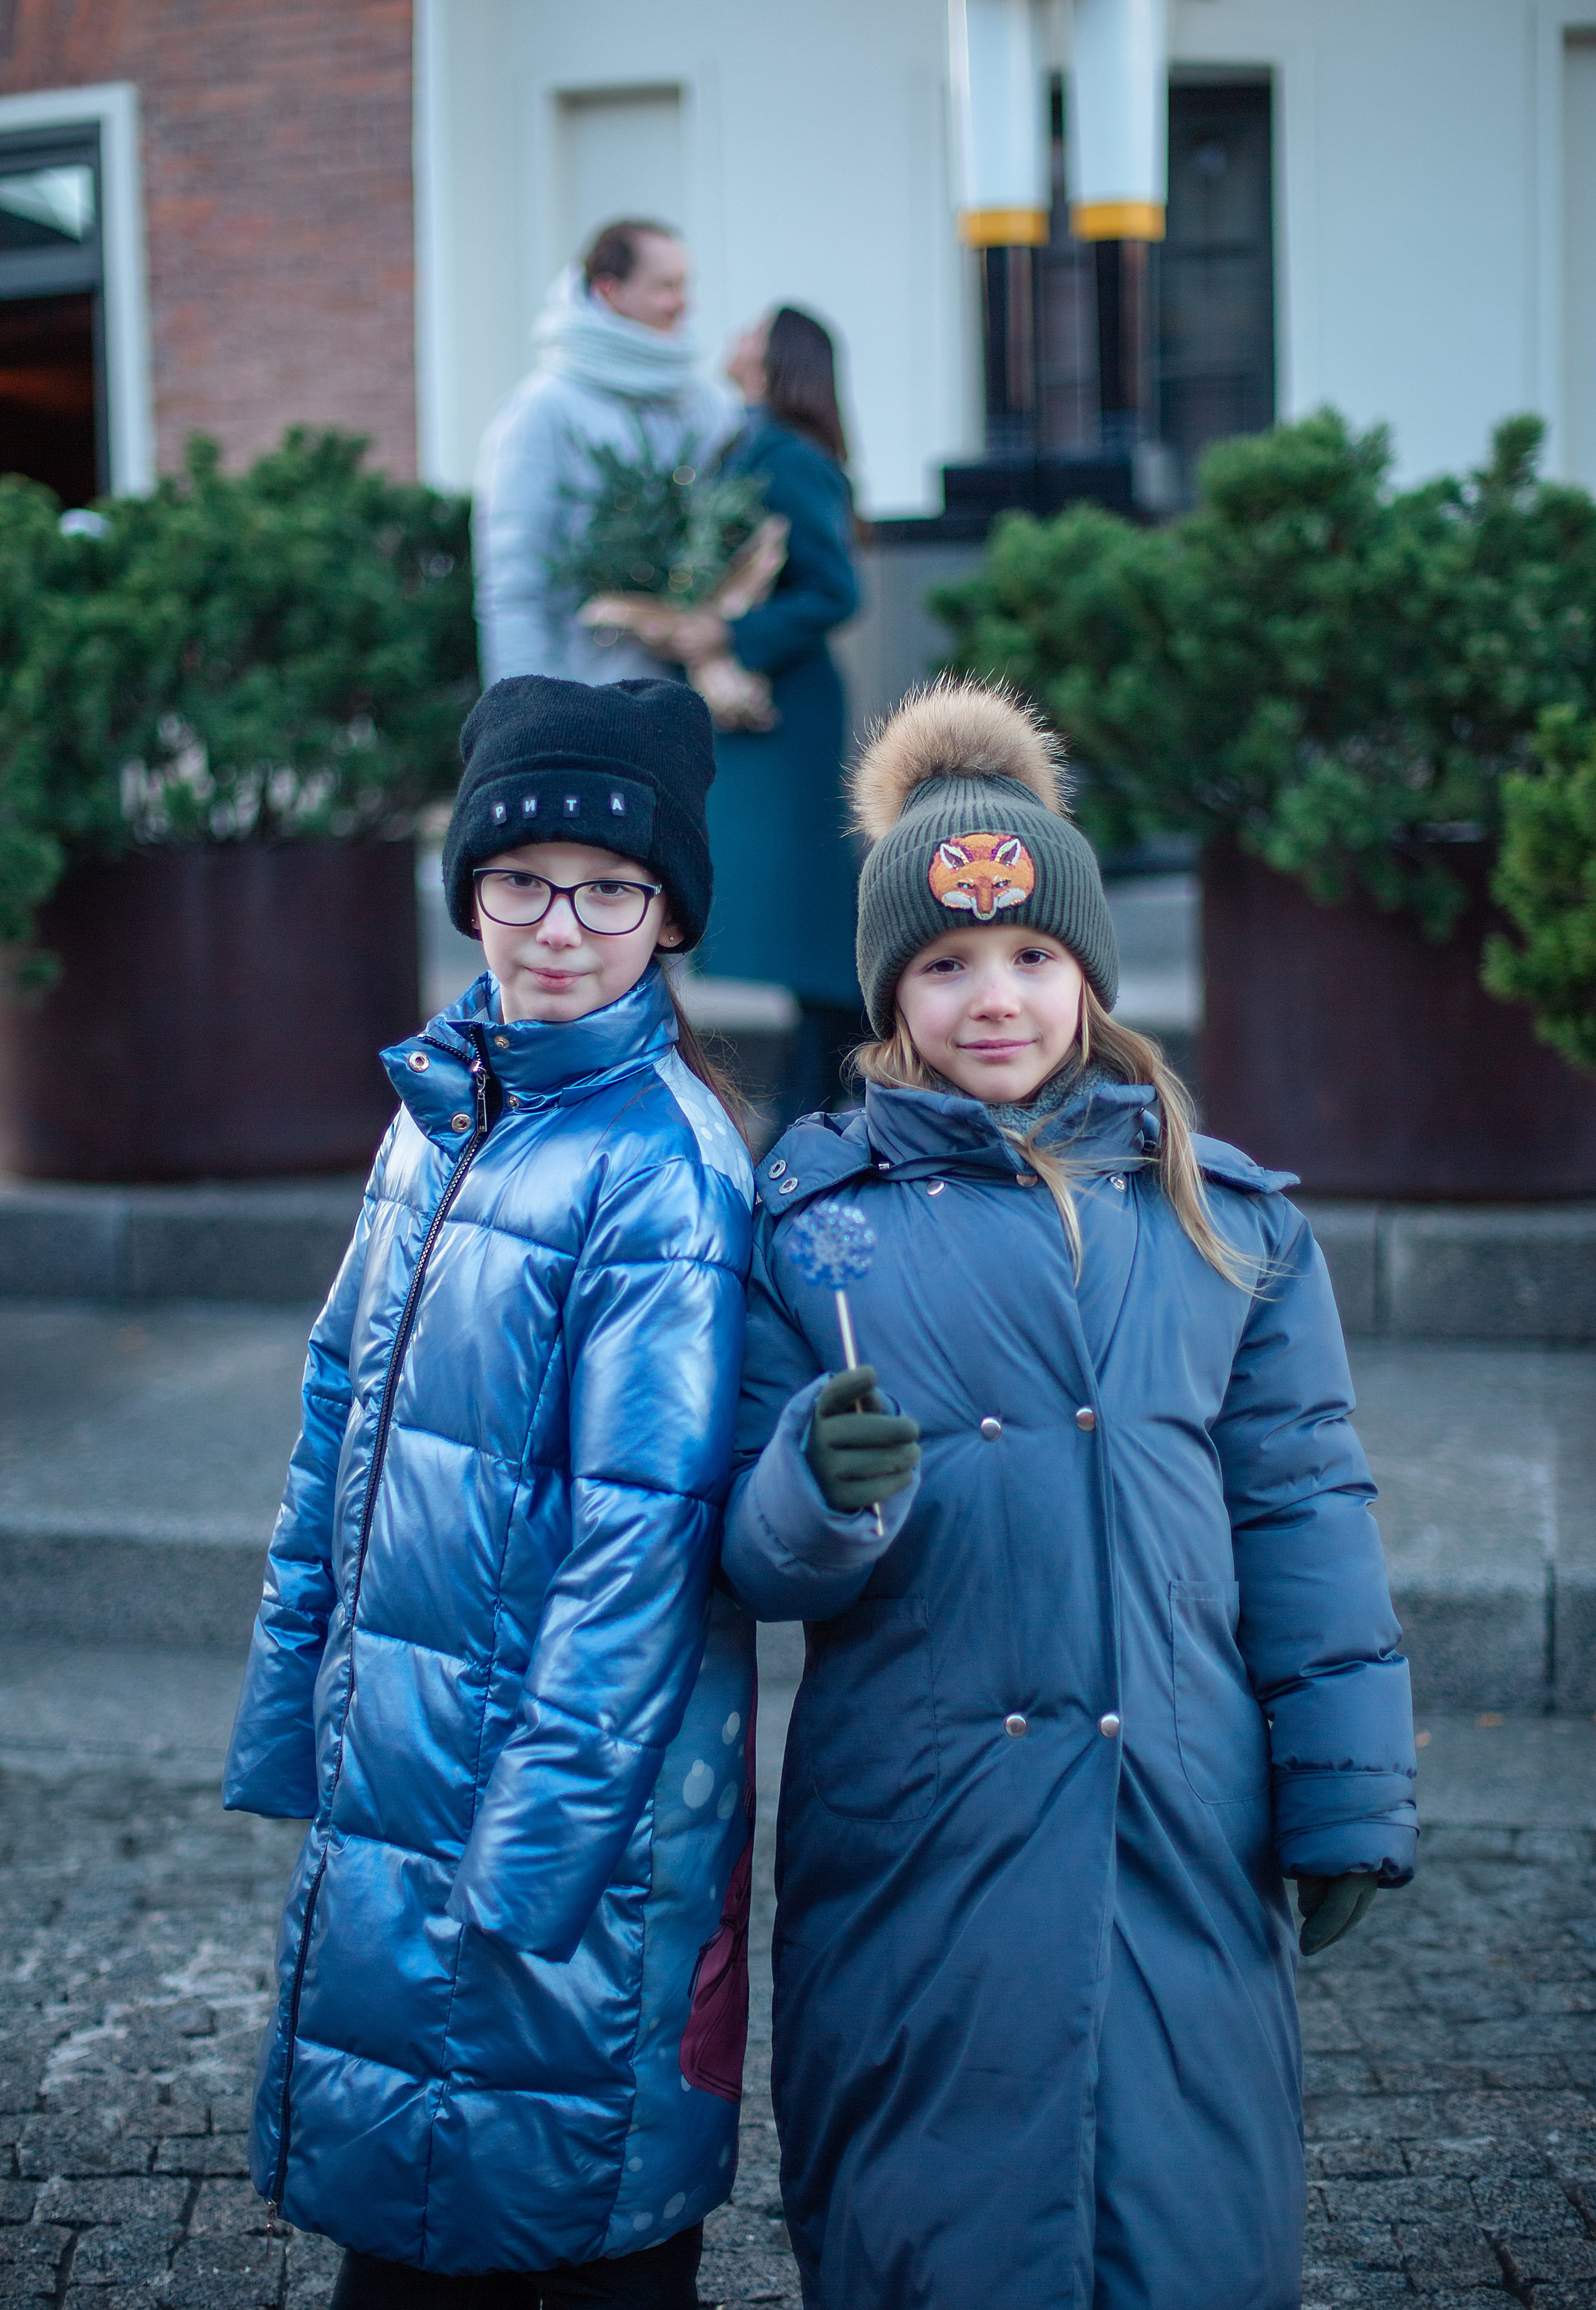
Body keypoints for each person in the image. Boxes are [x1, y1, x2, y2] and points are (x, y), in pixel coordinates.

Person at [719, 681, 1418, 2309]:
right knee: (939, 2223)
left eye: (1032, 957)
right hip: (921, 1828)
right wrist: (813, 1498)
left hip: (1179, 1810)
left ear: (1088, 975)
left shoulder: (1226, 1222)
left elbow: (1306, 1507)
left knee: (1186, 2206)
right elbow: (753, 1556)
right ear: (891, 992)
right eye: (947, 965)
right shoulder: (815, 1224)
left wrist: (1346, 1792)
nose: (995, 999)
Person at [223, 674, 757, 2306]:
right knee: (403, 2217)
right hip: (409, 1762)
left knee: (578, 2216)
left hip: (558, 1826)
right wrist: (292, 1704)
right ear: (471, 894)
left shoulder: (664, 1171)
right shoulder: (441, 1112)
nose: (559, 926)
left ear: (667, 917)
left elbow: (638, 1547)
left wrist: (529, 1863)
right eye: (520, 881)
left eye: (611, 889)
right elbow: (341, 1413)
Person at [651, 306, 863, 1120]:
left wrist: (729, 631)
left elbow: (836, 589)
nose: (734, 337)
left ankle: (826, 1084)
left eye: (752, 330)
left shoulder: (788, 454)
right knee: (782, 900)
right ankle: (827, 1082)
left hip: (786, 710)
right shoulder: (745, 443)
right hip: (749, 709)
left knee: (803, 899)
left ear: (779, 358)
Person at [473, 219, 734, 687]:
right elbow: (515, 584)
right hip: (586, 700)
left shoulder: (706, 404)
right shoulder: (543, 410)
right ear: (611, 291)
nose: (685, 303)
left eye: (686, 285)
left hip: (702, 703)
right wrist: (527, 714)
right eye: (666, 287)